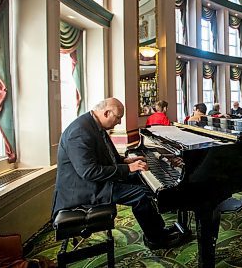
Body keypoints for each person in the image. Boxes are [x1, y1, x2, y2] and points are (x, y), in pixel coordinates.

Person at [52, 97, 179, 249]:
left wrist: (125, 161)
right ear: (106, 113)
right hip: (84, 189)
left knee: (142, 182)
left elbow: (105, 157)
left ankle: (158, 230)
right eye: (118, 118)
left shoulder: (93, 125)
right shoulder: (79, 132)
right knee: (140, 194)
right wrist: (128, 169)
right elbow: (89, 171)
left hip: (95, 183)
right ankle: (156, 239)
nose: (119, 122)